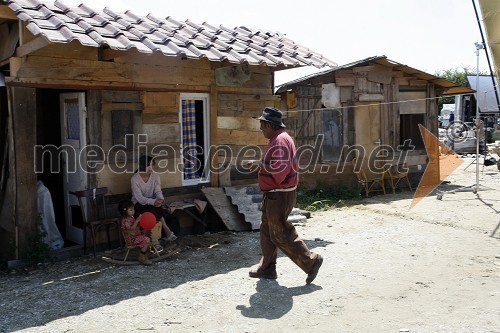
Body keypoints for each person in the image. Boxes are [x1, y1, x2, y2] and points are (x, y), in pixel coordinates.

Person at [248, 107, 323, 285]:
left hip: (279, 195)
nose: (260, 129)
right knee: (267, 230)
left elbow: (279, 172)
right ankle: (267, 269)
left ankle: (311, 261)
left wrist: (259, 165)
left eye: (262, 125)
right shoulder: (279, 138)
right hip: (275, 194)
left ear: (269, 125)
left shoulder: (280, 141)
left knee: (281, 233)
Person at [131, 155, 179, 245]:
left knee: (155, 209)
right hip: (139, 205)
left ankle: (154, 241)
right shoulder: (135, 179)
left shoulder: (155, 176)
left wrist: (160, 199)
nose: (151, 168)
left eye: (152, 165)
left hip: (152, 204)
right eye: (149, 165)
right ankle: (165, 231)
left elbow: (157, 191)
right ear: (142, 166)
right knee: (154, 210)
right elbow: (139, 198)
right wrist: (153, 202)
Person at [118, 200, 152, 265]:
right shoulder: (125, 221)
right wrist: (136, 221)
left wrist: (139, 222)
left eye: (133, 209)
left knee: (147, 234)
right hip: (132, 239)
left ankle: (144, 254)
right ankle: (142, 256)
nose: (133, 211)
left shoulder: (131, 217)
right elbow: (131, 229)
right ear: (125, 211)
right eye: (131, 210)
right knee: (147, 240)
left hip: (136, 236)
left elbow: (136, 227)